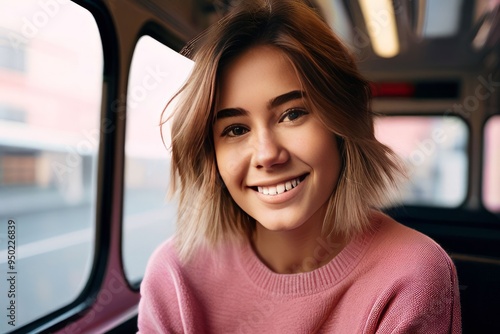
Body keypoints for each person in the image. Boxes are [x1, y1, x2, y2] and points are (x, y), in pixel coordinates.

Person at [138, 0, 462, 332]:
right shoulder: (175, 275)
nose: (267, 154)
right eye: (236, 129)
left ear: (342, 124)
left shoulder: (411, 273)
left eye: (292, 114)